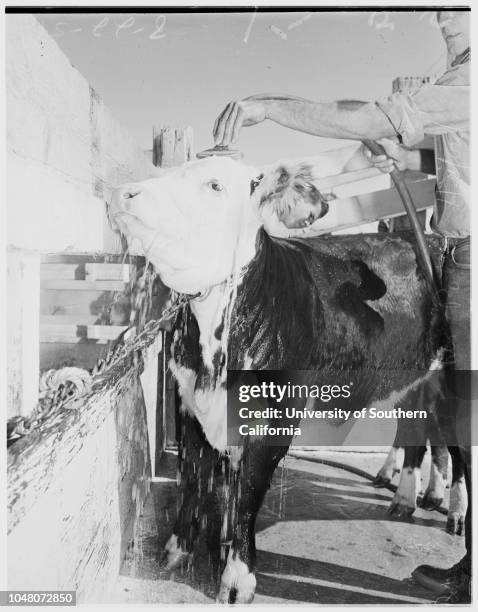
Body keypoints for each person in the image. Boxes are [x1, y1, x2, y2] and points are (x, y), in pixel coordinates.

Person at [213, 10, 470, 603]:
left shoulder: (470, 78)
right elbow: (452, 160)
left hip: (471, 260)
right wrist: (405, 162)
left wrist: (270, 107)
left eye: (456, 11)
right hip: (457, 254)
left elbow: (371, 117)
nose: (445, 21)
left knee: (470, 412)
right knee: (462, 408)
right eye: (441, 13)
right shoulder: (463, 81)